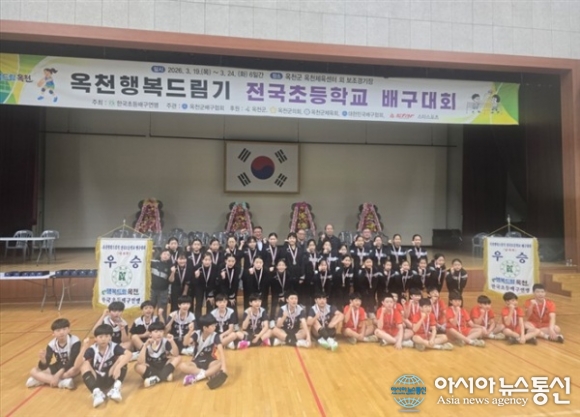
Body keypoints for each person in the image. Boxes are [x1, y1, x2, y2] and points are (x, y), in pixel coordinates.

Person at [75, 324, 133, 408]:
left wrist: (118, 367)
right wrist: (84, 348)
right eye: (100, 336)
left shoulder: (114, 346)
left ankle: (116, 388)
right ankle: (96, 392)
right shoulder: (92, 349)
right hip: (96, 379)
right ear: (95, 338)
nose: (103, 339)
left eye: (106, 336)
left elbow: (129, 354)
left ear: (110, 337)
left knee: (122, 358)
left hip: (111, 376)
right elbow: (76, 365)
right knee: (84, 364)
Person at [26, 318, 80, 389]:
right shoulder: (51, 344)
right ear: (53, 334)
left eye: (64, 329)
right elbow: (44, 366)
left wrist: (57, 375)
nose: (61, 332)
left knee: (73, 371)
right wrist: (43, 360)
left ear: (69, 330)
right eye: (58, 330)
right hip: (59, 366)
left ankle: (42, 380)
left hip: (71, 366)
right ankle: (62, 382)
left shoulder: (75, 341)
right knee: (33, 371)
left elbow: (72, 360)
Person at [180, 314, 228, 387]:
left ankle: (197, 377)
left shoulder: (215, 336)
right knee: (182, 366)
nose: (215, 327)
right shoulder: (197, 334)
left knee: (219, 364)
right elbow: (185, 343)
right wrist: (190, 332)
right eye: (212, 326)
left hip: (210, 361)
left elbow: (221, 351)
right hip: (196, 362)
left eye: (214, 325)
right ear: (205, 328)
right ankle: (206, 374)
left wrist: (224, 367)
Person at [134, 322, 181, 388]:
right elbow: (140, 362)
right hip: (151, 368)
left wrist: (172, 341)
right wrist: (144, 346)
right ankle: (165, 376)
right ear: (150, 334)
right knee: (137, 367)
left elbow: (176, 354)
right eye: (156, 331)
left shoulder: (165, 341)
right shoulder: (147, 343)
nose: (159, 334)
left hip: (163, 366)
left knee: (178, 358)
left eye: (161, 331)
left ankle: (156, 379)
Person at [151, 249, 175, 319]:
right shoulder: (153, 262)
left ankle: (162, 324)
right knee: (150, 308)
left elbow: (171, 280)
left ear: (169, 257)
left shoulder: (170, 266)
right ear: (160, 255)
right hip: (152, 290)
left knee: (162, 311)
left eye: (168, 255)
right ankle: (149, 323)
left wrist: (173, 272)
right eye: (164, 254)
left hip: (163, 291)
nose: (165, 256)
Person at [193, 252, 218, 317]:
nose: (207, 262)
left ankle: (209, 320)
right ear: (202, 260)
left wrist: (211, 293)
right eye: (205, 260)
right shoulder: (197, 267)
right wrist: (196, 277)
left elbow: (215, 281)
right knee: (198, 303)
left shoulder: (215, 267)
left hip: (211, 287)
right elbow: (194, 282)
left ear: (211, 260)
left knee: (210, 303)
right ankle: (197, 320)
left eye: (209, 260)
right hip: (199, 287)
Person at [241, 236, 261, 308]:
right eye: (250, 242)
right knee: (247, 294)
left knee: (255, 293)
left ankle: (256, 310)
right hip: (247, 274)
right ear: (247, 243)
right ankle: (246, 310)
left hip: (256, 274)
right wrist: (241, 245)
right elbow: (238, 255)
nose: (252, 243)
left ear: (256, 243)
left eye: (253, 242)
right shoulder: (244, 250)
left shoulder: (259, 251)